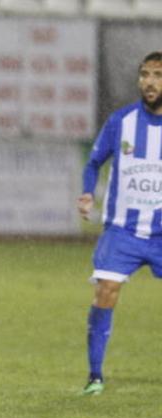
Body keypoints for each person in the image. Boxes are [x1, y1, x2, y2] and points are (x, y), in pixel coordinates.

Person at [77, 51, 162, 395]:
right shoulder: (121, 121)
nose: (149, 82)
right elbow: (94, 162)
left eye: (157, 74)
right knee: (105, 292)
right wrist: (86, 193)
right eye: (144, 74)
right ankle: (95, 377)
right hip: (122, 231)